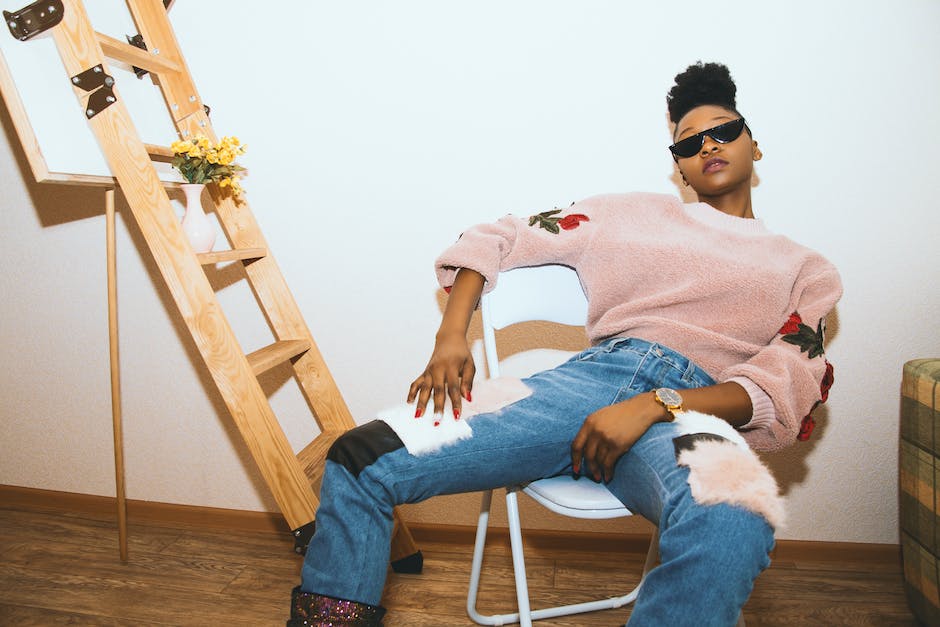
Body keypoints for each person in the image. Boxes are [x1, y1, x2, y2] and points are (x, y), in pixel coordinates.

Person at [287, 61, 843, 626]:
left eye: (725, 131)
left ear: (755, 144)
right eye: (689, 143)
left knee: (734, 517)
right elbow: (498, 235)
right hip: (583, 388)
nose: (709, 146)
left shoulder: (804, 269)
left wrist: (656, 404)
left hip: (694, 410)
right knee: (361, 459)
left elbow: (783, 382)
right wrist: (451, 335)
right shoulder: (629, 214)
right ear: (678, 166)